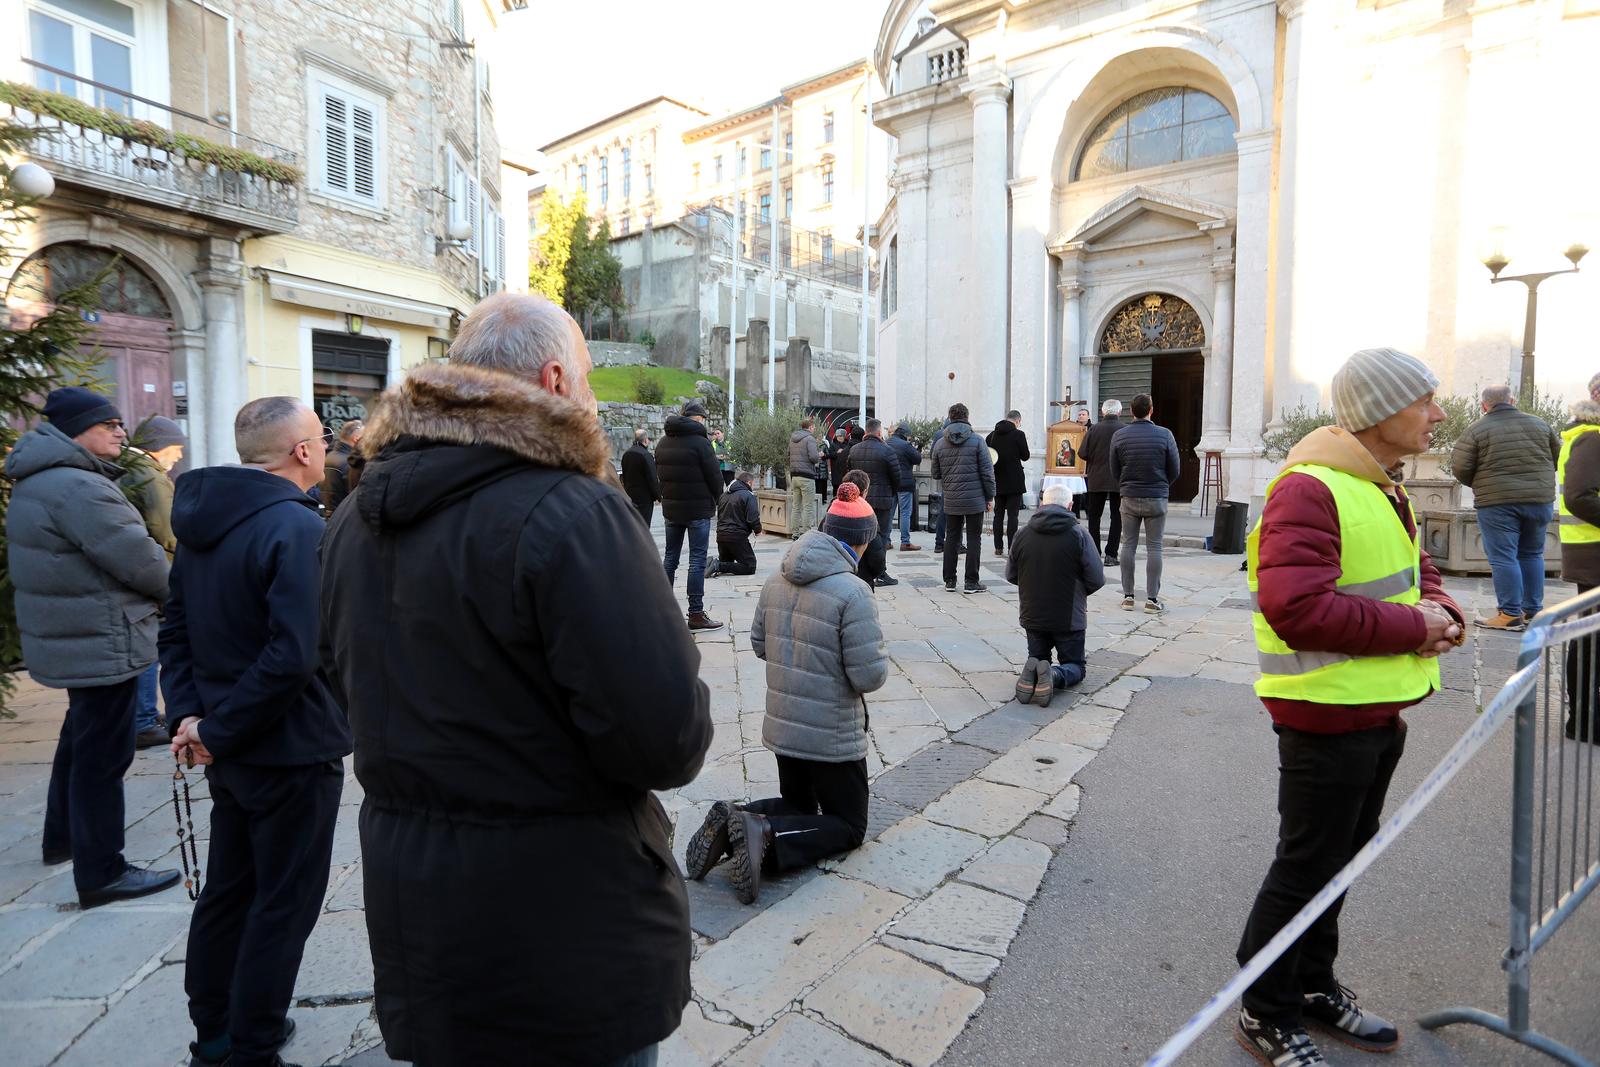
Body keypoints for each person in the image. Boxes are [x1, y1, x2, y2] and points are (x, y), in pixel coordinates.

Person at [320, 293, 713, 1067]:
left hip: (421, 920)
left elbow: (339, 688)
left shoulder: (351, 520)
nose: (592, 398)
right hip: (566, 933)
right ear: (557, 379)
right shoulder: (575, 512)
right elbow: (666, 739)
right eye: (589, 378)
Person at [1236, 347, 1464, 1066]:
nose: (1438, 414)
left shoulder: (1381, 486)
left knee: (1338, 863)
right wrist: (1415, 627)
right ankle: (1264, 1009)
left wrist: (1445, 611)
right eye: (1425, 400)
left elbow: (1417, 572)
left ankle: (1310, 984)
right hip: (1324, 715)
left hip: (1374, 711)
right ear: (1380, 410)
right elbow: (1297, 608)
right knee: (1307, 867)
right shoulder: (1309, 489)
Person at [162, 397, 352, 1067]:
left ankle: (215, 1034)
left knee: (229, 891)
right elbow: (294, 655)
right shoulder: (294, 526)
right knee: (281, 904)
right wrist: (212, 728)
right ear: (301, 451)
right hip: (288, 749)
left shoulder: (203, 519)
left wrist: (193, 719)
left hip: (232, 747)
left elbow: (175, 631)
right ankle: (252, 1047)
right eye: (320, 438)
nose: (325, 448)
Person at [4, 387, 178, 907]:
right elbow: (140, 560)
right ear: (76, 432)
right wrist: (183, 593)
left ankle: (61, 839)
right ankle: (103, 872)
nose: (122, 431)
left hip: (78, 634)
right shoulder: (79, 487)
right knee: (103, 755)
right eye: (109, 425)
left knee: (79, 739)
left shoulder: (41, 478)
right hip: (101, 637)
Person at [683, 481, 888, 904]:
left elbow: (760, 644)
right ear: (862, 542)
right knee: (849, 825)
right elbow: (868, 676)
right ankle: (766, 840)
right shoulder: (854, 593)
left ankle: (737, 819)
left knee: (799, 805)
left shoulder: (777, 578)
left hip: (782, 726)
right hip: (831, 734)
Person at [1450, 384, 1560, 631]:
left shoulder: (1476, 429)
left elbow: (1460, 467)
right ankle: (1532, 611)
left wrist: (1482, 483)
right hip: (1539, 500)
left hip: (1497, 503)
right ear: (1512, 401)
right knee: (1532, 554)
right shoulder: (1540, 424)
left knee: (1503, 557)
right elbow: (1556, 458)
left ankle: (1509, 613)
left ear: (1483, 405)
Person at [1006, 484, 1103, 706]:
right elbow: (1096, 578)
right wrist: (1079, 594)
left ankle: (1036, 669)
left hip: (1033, 615)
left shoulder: (1022, 534)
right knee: (1076, 665)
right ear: (1070, 505)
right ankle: (1055, 675)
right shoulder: (1079, 534)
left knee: (1038, 658)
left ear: (1042, 503)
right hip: (1068, 617)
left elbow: (1011, 575)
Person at [123, 414, 187, 750]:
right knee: (150, 645)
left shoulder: (132, 468)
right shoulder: (148, 475)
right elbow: (168, 529)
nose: (179, 454)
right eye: (176, 447)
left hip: (138, 567)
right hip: (154, 569)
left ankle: (143, 714)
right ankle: (144, 720)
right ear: (158, 446)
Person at [656, 399, 726, 631]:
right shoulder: (701, 443)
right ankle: (695, 614)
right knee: (697, 561)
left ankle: (662, 611)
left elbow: (660, 475)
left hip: (672, 510)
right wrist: (718, 499)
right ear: (697, 419)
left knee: (670, 558)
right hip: (697, 509)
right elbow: (715, 477)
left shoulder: (663, 442)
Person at [1556, 372, 1600, 744]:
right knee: (1590, 638)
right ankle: (1584, 721)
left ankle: (1585, 718)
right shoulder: (1592, 437)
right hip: (1594, 553)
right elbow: (1579, 496)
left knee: (1591, 636)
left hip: (1590, 551)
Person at [1110, 393, 1179, 612]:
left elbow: (1114, 469)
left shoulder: (1119, 435)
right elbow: (1175, 469)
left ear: (1131, 411)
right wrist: (1161, 484)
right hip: (1156, 497)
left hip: (1129, 495)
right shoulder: (1165, 435)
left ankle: (1128, 597)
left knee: (1128, 545)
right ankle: (1151, 599)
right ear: (1151, 410)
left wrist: (1126, 484)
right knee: (1155, 547)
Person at [931, 403, 996, 594]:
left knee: (951, 537)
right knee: (974, 538)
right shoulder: (978, 441)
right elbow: (987, 473)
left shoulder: (940, 443)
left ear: (950, 417)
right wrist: (990, 496)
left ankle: (950, 580)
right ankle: (971, 582)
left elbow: (935, 473)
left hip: (951, 498)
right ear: (967, 417)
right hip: (975, 498)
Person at [843, 419, 903, 588]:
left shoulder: (854, 450)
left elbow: (849, 473)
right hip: (882, 501)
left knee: (860, 534)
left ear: (866, 432)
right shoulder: (887, 451)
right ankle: (880, 573)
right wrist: (890, 493)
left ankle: (858, 569)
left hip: (860, 500)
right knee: (881, 537)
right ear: (879, 432)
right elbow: (897, 477)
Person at [1079, 398, 1123, 563]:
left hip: (1096, 478)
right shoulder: (1124, 429)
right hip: (1118, 479)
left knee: (1094, 516)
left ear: (1102, 412)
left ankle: (1095, 552)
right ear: (1119, 412)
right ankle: (1111, 554)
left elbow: (1082, 453)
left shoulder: (1094, 429)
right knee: (1117, 517)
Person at [986, 409, 1031, 557]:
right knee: (1013, 516)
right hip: (1014, 481)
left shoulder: (991, 436)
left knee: (998, 515)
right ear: (1018, 421)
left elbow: (988, 457)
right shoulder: (1019, 434)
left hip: (997, 480)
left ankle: (998, 547)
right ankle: (1012, 547)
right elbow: (1025, 456)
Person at [707, 470, 762, 578]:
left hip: (721, 536)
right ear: (749, 482)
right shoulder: (748, 495)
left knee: (727, 562)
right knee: (749, 566)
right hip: (737, 536)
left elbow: (719, 516)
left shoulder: (724, 495)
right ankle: (718, 565)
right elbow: (753, 518)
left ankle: (713, 563)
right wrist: (758, 530)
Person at [319, 419, 364, 513]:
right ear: (356, 438)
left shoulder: (329, 457)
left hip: (330, 515)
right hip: (345, 515)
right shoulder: (351, 463)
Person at [620, 427, 663, 527]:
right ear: (645, 440)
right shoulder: (645, 455)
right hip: (644, 498)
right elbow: (652, 478)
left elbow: (624, 475)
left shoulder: (626, 454)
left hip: (630, 494)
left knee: (633, 525)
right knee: (644, 525)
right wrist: (658, 496)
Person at [788, 415, 822, 538]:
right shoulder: (810, 439)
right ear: (811, 427)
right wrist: (819, 455)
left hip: (794, 476)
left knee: (796, 507)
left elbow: (788, 454)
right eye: (814, 427)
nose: (814, 429)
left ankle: (795, 533)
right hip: (807, 476)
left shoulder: (792, 438)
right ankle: (807, 534)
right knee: (808, 507)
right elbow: (813, 457)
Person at [826, 426, 852, 496]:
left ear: (844, 436)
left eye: (841, 436)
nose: (839, 437)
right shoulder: (833, 445)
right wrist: (836, 453)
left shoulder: (848, 444)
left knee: (845, 487)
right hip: (835, 469)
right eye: (838, 436)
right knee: (836, 487)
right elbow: (828, 455)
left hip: (845, 469)